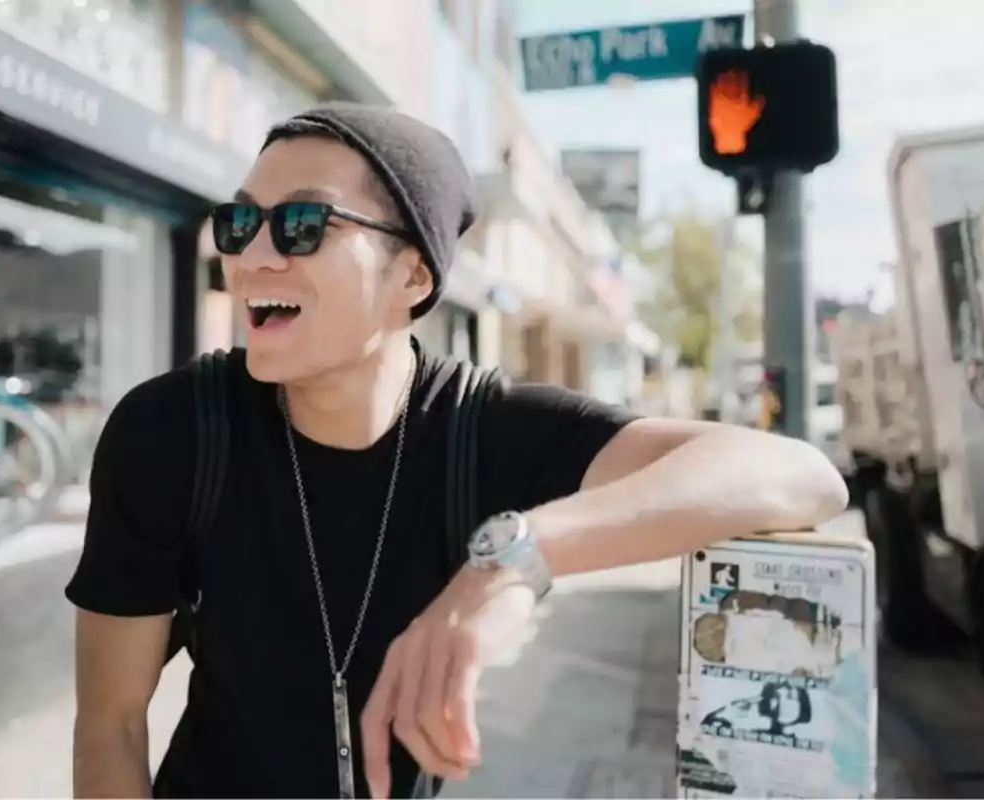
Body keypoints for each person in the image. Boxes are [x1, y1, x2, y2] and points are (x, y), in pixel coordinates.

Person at [66, 102, 848, 800]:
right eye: (241, 225)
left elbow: (799, 474)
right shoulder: (172, 433)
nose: (254, 257)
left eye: (302, 225)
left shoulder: (483, 426)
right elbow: (111, 724)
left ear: (413, 273)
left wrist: (514, 560)